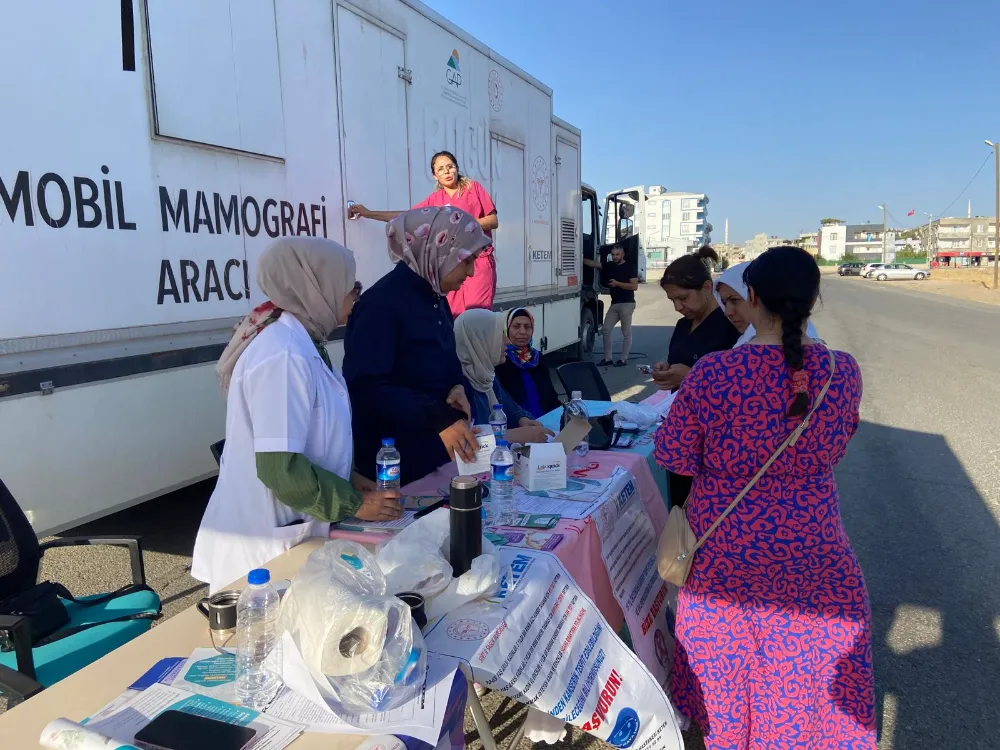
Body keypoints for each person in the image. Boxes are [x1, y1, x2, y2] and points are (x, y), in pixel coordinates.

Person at [654, 246, 875, 749]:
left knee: (728, 679)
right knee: (801, 679)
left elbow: (675, 456)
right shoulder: (842, 372)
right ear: (813, 300)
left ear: (751, 296)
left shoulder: (713, 373)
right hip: (816, 553)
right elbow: (838, 445)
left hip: (725, 557)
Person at [191, 238, 402, 594]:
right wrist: (355, 503)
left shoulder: (305, 341)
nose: (356, 297)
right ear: (318, 286)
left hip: (292, 533)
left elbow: (310, 437)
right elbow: (281, 469)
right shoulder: (283, 353)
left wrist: (350, 478)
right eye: (351, 287)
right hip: (262, 550)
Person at [344, 206, 491, 486]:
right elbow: (366, 387)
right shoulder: (381, 304)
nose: (472, 272)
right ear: (439, 249)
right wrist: (436, 416)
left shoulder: (437, 300)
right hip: (394, 468)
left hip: (437, 457)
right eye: (466, 261)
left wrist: (458, 387)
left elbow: (446, 365)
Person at [349, 151, 499, 317]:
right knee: (452, 316)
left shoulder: (474, 189)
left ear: (457, 168)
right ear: (435, 176)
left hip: (478, 262)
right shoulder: (435, 200)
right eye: (440, 169)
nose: (447, 171)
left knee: (478, 315)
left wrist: (462, 223)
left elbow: (493, 221)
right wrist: (369, 213)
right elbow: (407, 216)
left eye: (450, 166)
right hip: (450, 266)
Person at [454, 309, 554, 443]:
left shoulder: (486, 376)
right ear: (480, 341)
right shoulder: (458, 389)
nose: (507, 341)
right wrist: (511, 436)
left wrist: (522, 420)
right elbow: (465, 443)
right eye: (500, 335)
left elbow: (509, 407)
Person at [715, 260, 821, 346]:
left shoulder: (722, 362)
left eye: (734, 300)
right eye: (724, 302)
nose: (728, 312)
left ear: (754, 296)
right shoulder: (823, 356)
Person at [495, 308, 561, 418]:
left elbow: (550, 395)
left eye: (527, 327)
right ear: (506, 329)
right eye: (516, 326)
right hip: (515, 422)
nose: (523, 332)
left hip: (544, 420)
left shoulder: (537, 357)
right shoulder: (500, 359)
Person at [583, 244, 638, 366]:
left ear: (623, 254)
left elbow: (634, 286)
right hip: (615, 304)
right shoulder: (610, 265)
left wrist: (617, 283)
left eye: (617, 254)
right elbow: (594, 264)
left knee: (626, 332)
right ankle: (608, 359)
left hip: (627, 304)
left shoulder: (630, 267)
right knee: (606, 329)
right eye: (613, 255)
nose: (615, 257)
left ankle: (623, 359)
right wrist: (580, 258)